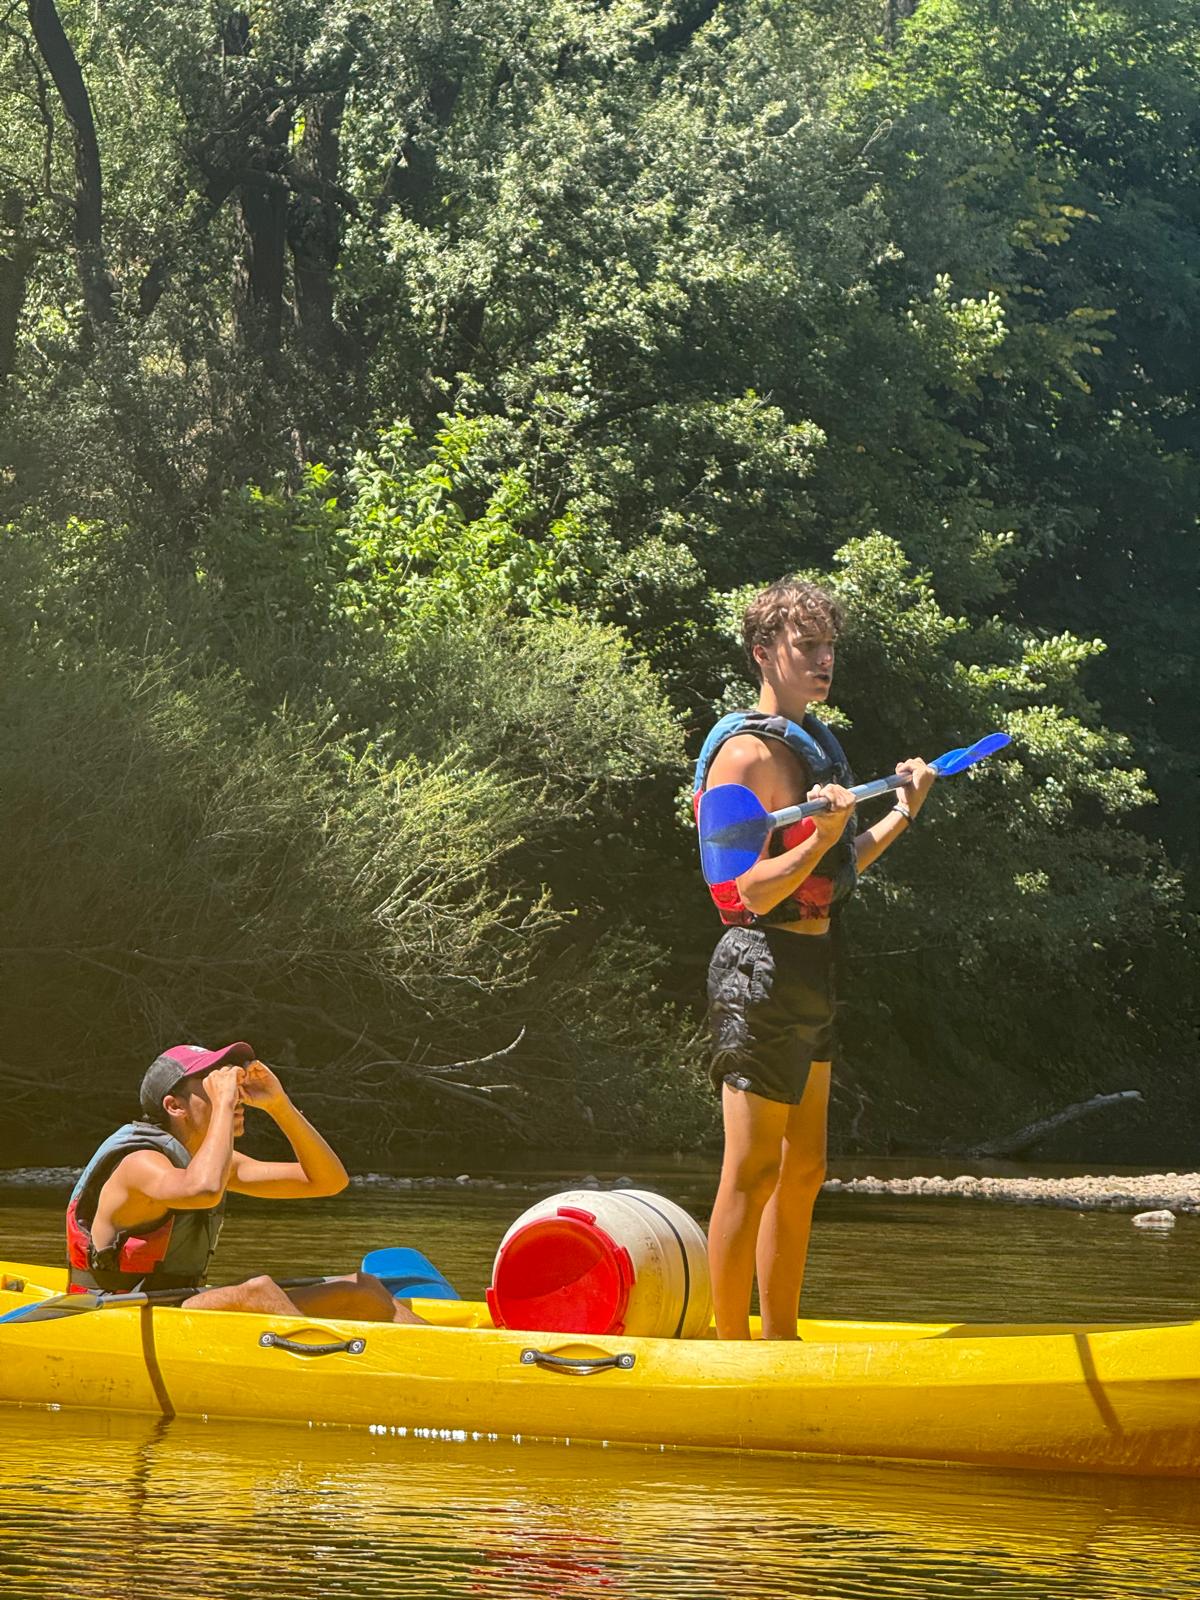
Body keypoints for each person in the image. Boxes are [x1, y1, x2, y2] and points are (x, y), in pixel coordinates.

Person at [695, 579, 936, 1340]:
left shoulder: (814, 746)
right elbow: (741, 893)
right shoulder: (743, 757)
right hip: (757, 968)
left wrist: (902, 811)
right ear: (764, 653)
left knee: (804, 1169)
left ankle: (781, 1336)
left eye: (829, 647)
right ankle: (730, 1345)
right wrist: (819, 839)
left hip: (814, 967)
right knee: (753, 1170)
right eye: (807, 647)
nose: (823, 660)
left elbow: (838, 868)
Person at [66, 1041, 422, 1322]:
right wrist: (223, 1105)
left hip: (174, 1305)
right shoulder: (139, 1164)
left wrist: (280, 1106)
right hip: (119, 1312)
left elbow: (327, 1181)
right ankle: (321, 1369)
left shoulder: (215, 1165)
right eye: (213, 1086)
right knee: (257, 1291)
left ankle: (443, 1361)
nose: (234, 1096)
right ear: (175, 1106)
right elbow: (202, 1190)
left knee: (362, 1289)